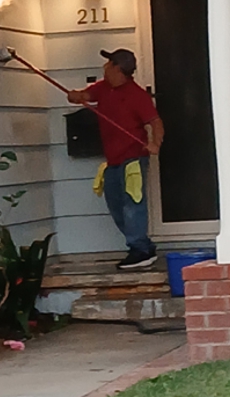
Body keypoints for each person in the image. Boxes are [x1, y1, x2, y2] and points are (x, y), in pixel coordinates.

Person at [68, 49, 164, 269]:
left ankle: (139, 249)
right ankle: (144, 246)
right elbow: (84, 96)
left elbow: (155, 122)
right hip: (113, 160)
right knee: (116, 205)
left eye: (108, 63)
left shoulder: (137, 95)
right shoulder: (103, 88)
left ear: (117, 69)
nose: (104, 67)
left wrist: (155, 144)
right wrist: (75, 95)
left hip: (133, 159)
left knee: (133, 204)